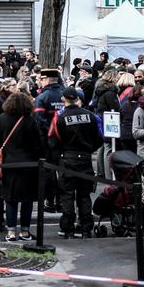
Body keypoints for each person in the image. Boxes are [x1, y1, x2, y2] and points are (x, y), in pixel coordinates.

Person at [48, 87, 101, 238]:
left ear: (63, 99)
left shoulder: (59, 116)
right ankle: (86, 227)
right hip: (85, 158)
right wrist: (89, 149)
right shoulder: (90, 116)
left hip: (67, 159)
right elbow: (99, 137)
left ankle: (67, 228)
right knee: (84, 195)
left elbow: (52, 140)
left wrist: (59, 156)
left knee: (67, 195)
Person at [0, 91, 42, 242]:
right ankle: (25, 231)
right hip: (29, 165)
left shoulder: (2, 119)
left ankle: (11, 232)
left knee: (10, 199)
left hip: (8, 164)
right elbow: (38, 145)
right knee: (27, 200)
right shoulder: (30, 120)